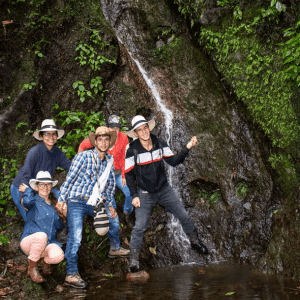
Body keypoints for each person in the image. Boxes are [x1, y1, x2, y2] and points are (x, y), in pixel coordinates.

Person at [124, 115, 208, 273]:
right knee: (140, 226)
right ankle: (133, 260)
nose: (144, 132)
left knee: (183, 214)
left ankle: (195, 241)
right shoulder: (132, 150)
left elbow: (174, 161)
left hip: (163, 190)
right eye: (139, 130)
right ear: (135, 133)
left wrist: (187, 147)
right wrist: (134, 195)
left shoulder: (159, 143)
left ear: (149, 128)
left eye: (145, 128)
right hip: (144, 193)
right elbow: (128, 175)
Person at [57, 126, 130, 289]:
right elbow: (70, 178)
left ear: (109, 142)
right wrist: (62, 199)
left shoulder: (109, 163)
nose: (103, 142)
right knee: (76, 236)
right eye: (100, 139)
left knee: (114, 220)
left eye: (106, 139)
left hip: (95, 201)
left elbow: (110, 186)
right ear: (95, 142)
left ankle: (115, 248)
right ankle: (71, 274)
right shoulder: (83, 157)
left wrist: (110, 205)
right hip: (76, 200)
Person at [11, 119, 71, 221]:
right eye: (47, 134)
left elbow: (71, 166)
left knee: (63, 199)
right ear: (42, 136)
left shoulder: (57, 153)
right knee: (32, 220)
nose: (51, 137)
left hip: (41, 187)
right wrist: (23, 198)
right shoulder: (34, 152)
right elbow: (25, 176)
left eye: (53, 134)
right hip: (21, 187)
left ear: (57, 136)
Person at [78, 115, 133, 223]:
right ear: (107, 127)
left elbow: (124, 157)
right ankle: (115, 220)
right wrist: (79, 162)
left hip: (118, 173)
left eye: (117, 128)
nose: (115, 130)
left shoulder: (123, 137)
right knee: (110, 201)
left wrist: (123, 176)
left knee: (129, 193)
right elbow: (83, 145)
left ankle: (127, 212)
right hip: (105, 175)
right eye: (112, 127)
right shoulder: (102, 137)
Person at [19, 171, 66, 283]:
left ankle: (44, 262)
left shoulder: (54, 205)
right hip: (30, 242)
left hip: (46, 245)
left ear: (51, 186)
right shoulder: (33, 200)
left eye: (48, 184)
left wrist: (63, 214)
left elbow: (60, 227)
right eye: (42, 184)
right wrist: (27, 190)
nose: (45, 187)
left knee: (58, 256)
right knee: (41, 236)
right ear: (37, 187)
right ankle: (33, 267)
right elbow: (26, 202)